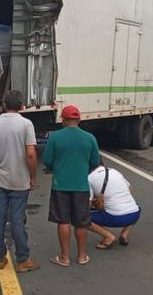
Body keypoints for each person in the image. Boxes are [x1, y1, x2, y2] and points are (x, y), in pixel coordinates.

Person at [0, 90, 41, 273]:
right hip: (20, 181)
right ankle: (22, 259)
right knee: (17, 219)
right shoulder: (26, 124)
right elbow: (31, 154)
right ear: (22, 106)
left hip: (1, 180)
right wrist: (32, 176)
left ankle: (0, 258)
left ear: (4, 105)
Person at [43, 105, 100, 267]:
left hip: (60, 185)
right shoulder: (89, 138)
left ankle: (65, 257)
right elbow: (95, 162)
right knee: (81, 222)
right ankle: (82, 256)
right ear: (79, 120)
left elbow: (47, 160)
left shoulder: (55, 137)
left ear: (63, 120)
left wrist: (58, 168)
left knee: (63, 221)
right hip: (81, 186)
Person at [87, 160, 141, 249]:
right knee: (136, 206)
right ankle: (124, 234)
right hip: (134, 214)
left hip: (115, 218)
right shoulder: (114, 171)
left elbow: (87, 205)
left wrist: (98, 204)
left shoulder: (89, 178)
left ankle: (108, 236)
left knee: (81, 218)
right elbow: (130, 188)